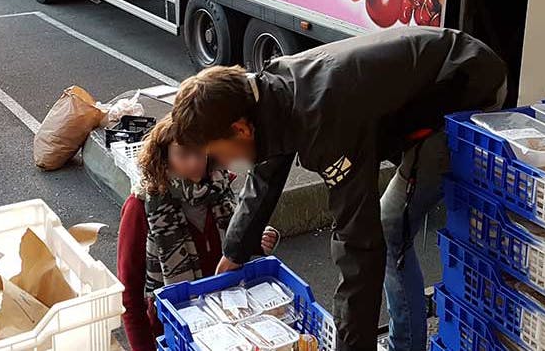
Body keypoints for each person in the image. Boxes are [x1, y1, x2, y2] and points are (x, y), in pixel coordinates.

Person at [168, 27, 507, 351]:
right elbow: (267, 169)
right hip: (433, 73)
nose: (222, 162)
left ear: (240, 129)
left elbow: (358, 244)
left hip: (466, 84)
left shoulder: (324, 121)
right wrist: (235, 252)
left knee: (389, 227)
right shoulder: (269, 94)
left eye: (217, 152)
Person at [117, 117, 279, 351]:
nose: (194, 162)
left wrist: (255, 242)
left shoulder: (220, 188)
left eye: (199, 152)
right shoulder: (140, 207)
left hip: (229, 323)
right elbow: (129, 296)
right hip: (172, 332)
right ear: (163, 157)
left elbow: (228, 247)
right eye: (183, 154)